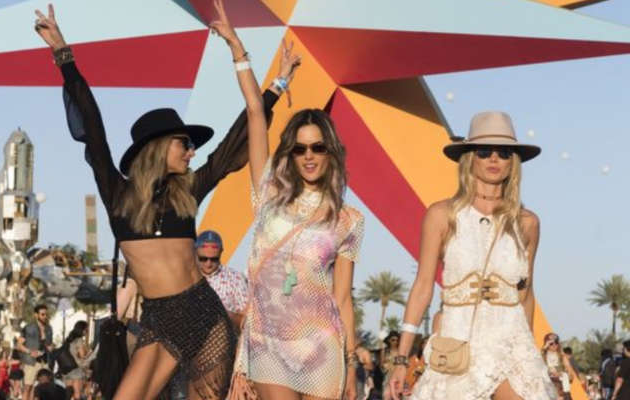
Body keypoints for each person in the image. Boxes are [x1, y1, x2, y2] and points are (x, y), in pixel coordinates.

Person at [32, 1, 294, 397]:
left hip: (203, 315)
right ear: (157, 147)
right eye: (183, 143)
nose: (191, 151)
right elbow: (93, 125)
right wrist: (62, 53)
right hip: (158, 320)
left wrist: (277, 86)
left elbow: (233, 143)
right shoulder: (117, 194)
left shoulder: (188, 190)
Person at [220, 0, 365, 396]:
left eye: (318, 147)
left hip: (323, 347)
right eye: (300, 149)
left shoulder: (349, 219)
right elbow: (255, 113)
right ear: (290, 154)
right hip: (268, 344)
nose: (309, 156)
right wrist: (239, 51)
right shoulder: (269, 194)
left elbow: (342, 299)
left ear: (331, 153)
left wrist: (352, 363)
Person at [388, 111, 557, 400]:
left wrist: (529, 352)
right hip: (458, 341)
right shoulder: (442, 215)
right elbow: (422, 286)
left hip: (511, 340)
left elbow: (526, 293)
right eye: (484, 151)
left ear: (513, 163)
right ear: (470, 158)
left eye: (504, 153)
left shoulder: (527, 223)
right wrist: (402, 359)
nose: (494, 159)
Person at [195, 230, 248, 330]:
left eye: (214, 259)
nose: (208, 264)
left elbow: (248, 321)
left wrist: (225, 315)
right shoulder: (186, 276)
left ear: (221, 252)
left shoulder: (235, 278)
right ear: (195, 252)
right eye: (203, 259)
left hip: (224, 336)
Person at [16, 304, 53, 400]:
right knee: (28, 387)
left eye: (46, 314)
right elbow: (19, 345)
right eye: (42, 314)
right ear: (36, 315)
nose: (45, 316)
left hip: (45, 361)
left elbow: (49, 344)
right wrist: (29, 351)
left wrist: (50, 347)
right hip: (31, 361)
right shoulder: (28, 328)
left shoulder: (49, 328)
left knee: (45, 387)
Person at [61, 321, 94, 400]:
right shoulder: (79, 340)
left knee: (69, 394)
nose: (87, 332)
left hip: (66, 370)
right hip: (76, 370)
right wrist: (91, 353)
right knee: (77, 394)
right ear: (82, 330)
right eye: (86, 329)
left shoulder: (67, 340)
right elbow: (82, 356)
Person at [542, 333, 576, 400]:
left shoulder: (562, 357)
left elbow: (571, 376)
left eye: (556, 342)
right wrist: (544, 349)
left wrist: (562, 374)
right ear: (546, 344)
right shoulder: (543, 356)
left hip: (560, 388)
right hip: (547, 388)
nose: (554, 345)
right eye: (551, 343)